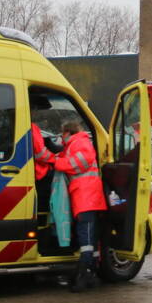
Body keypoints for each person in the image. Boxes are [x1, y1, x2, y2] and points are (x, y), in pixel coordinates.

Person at [53, 120, 108, 292]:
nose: (61, 138)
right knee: (89, 237)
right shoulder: (74, 144)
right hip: (85, 196)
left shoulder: (80, 142)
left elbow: (77, 163)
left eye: (62, 134)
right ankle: (89, 274)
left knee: (87, 238)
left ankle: (84, 278)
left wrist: (55, 161)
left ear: (68, 132)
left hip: (87, 197)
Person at [30, 96, 56, 221]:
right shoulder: (31, 127)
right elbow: (40, 153)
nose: (36, 113)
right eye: (35, 109)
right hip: (40, 174)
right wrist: (55, 159)